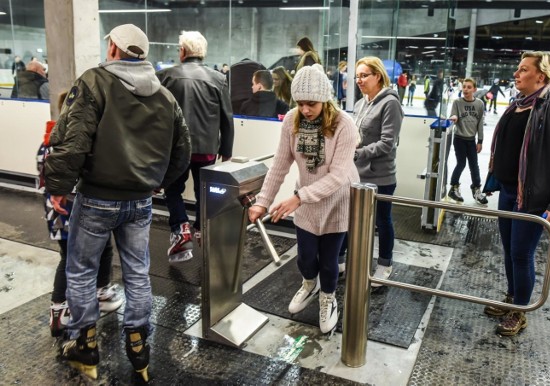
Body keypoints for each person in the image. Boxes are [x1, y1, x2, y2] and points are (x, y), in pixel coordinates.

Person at [44, 24, 191, 380]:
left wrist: (58, 186)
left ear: (113, 48)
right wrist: (159, 183)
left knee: (81, 270)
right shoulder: (164, 95)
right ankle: (139, 349)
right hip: (140, 201)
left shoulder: (94, 82)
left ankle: (86, 345)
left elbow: (73, 138)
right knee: (137, 273)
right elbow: (182, 147)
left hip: (96, 197)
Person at [247, 63, 359, 334]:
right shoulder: (292, 120)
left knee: (330, 261)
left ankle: (328, 299)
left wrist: (298, 198)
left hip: (337, 202)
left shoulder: (344, 125)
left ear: (324, 99)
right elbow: (280, 164)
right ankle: (310, 285)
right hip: (306, 202)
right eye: (300, 103)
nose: (305, 110)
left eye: (311, 104)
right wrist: (262, 200)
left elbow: (339, 176)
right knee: (306, 258)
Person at [483, 51, 550, 336]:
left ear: (541, 76)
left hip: (533, 199)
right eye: (518, 69)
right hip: (509, 192)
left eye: (523, 69)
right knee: (510, 252)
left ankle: (521, 311)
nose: (516, 74)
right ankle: (513, 298)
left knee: (521, 254)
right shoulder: (516, 106)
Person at [38, 91, 123, 338]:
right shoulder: (74, 142)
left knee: (69, 258)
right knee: (87, 255)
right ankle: (96, 294)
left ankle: (59, 309)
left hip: (56, 213)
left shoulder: (49, 137)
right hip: (75, 212)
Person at [157, 30, 234, 262]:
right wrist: (227, 150)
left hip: (175, 148)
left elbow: (157, 116)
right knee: (204, 191)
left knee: (172, 189)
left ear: (182, 51)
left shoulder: (165, 77)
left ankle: (181, 229)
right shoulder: (218, 79)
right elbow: (226, 118)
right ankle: (201, 229)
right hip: (207, 148)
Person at [339, 56, 403, 285]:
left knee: (382, 221)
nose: (358, 80)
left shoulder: (390, 103)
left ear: (378, 76)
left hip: (380, 176)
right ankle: (340, 259)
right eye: (356, 75)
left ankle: (385, 265)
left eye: (364, 75)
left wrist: (358, 153)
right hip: (357, 173)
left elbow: (388, 142)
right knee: (347, 217)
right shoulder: (360, 103)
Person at [446, 78, 488, 206]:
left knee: (474, 166)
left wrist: (480, 141)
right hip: (459, 139)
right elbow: (454, 116)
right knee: (461, 164)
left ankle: (476, 190)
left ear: (474, 89)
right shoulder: (457, 102)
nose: (466, 89)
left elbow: (480, 123)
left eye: (469, 87)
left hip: (471, 140)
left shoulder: (479, 104)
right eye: (464, 87)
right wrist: (453, 118)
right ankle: (453, 188)